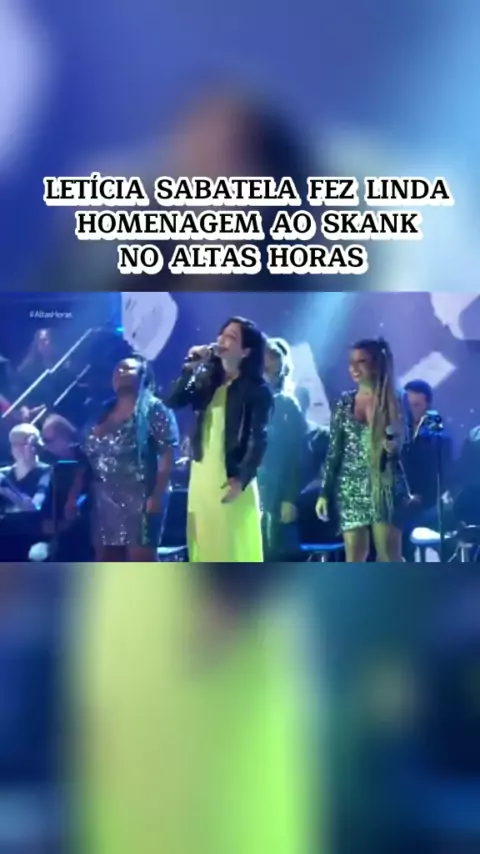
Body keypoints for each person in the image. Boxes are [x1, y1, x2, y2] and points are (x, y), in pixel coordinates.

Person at [166, 316, 272, 562]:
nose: (222, 340)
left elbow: (258, 438)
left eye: (231, 337)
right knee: (203, 546)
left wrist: (242, 477)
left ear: (245, 351)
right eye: (221, 334)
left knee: (231, 549)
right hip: (202, 475)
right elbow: (173, 400)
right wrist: (190, 367)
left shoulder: (256, 389)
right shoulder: (207, 382)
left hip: (230, 477)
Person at [315, 338, 410, 562]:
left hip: (385, 487)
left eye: (361, 362)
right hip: (351, 487)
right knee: (354, 558)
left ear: (377, 364)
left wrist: (393, 447)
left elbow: (404, 441)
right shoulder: (344, 403)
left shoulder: (395, 399)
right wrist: (324, 493)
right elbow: (334, 451)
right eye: (351, 363)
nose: (354, 368)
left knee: (389, 557)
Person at [81, 356, 179, 561]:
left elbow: (167, 452)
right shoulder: (103, 411)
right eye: (117, 369)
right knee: (107, 559)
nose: (120, 373)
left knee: (141, 558)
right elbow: (85, 453)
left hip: (141, 496)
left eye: (127, 369)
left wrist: (157, 495)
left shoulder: (154, 408)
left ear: (143, 376)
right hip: (106, 499)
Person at [259, 338, 306, 560]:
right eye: (265, 369)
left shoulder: (288, 405)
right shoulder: (245, 402)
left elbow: (297, 455)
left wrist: (289, 498)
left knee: (276, 554)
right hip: (250, 491)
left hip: (277, 496)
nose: (269, 376)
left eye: (274, 371)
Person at [402, 380, 454, 558]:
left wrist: (421, 496)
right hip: (401, 503)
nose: (412, 410)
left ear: (427, 405)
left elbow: (442, 474)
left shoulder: (438, 437)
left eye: (417, 405)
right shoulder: (396, 433)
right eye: (408, 405)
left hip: (429, 503)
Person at [39, 414, 95, 560]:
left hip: (88, 532)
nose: (45, 446)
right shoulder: (52, 463)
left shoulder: (88, 456)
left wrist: (66, 521)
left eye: (48, 440)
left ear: (64, 437)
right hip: (64, 534)